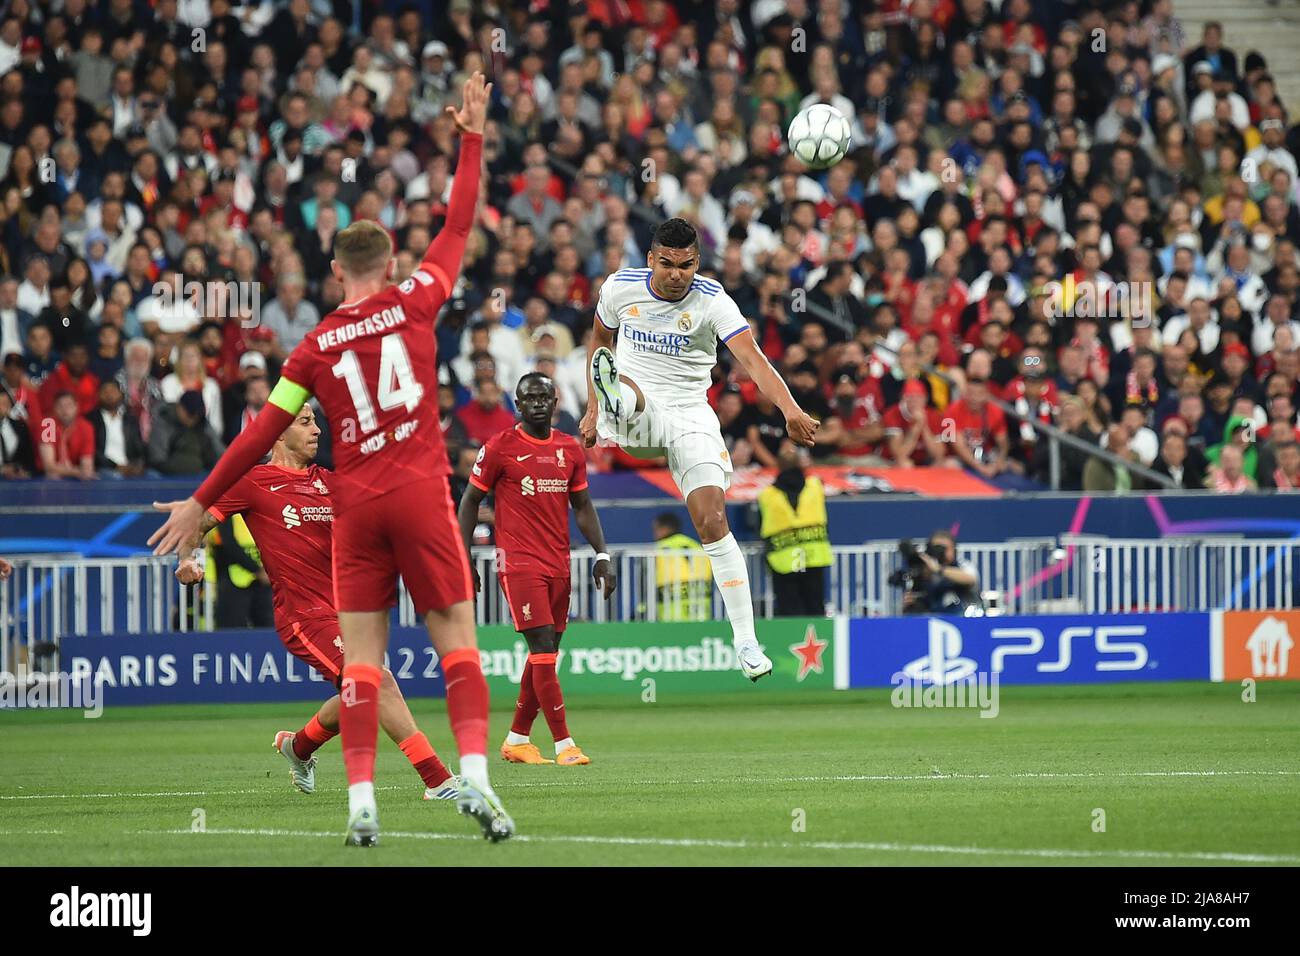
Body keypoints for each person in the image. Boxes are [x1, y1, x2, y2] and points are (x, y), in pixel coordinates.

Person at [150, 73, 514, 847]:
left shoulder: (311, 347)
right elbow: (457, 224)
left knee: (364, 663)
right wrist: (472, 138)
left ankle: (359, 802)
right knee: (455, 634)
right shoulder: (415, 300)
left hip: (352, 502)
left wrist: (196, 499)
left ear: (335, 273)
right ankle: (470, 778)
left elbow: (252, 438)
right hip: (415, 485)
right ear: (388, 264)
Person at [166, 403, 459, 802]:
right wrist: (188, 559)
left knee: (358, 693)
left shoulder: (333, 483)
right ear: (276, 433)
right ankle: (438, 780)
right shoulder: (252, 481)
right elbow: (196, 522)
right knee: (377, 680)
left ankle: (299, 747)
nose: (317, 430)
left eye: (317, 421)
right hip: (304, 616)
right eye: (305, 422)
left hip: (351, 614)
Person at [580, 217, 819, 682]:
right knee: (625, 390)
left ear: (697, 263)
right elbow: (599, 341)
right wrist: (591, 410)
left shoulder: (713, 300)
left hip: (691, 413)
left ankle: (746, 642)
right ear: (650, 259)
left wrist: (790, 409)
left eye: (686, 265)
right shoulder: (619, 288)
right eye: (667, 264)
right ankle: (614, 399)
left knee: (711, 521)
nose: (676, 274)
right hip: (638, 410)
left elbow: (753, 359)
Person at [457, 372, 615, 767]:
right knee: (543, 648)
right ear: (518, 405)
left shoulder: (569, 449)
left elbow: (582, 506)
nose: (539, 404)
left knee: (546, 653)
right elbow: (470, 500)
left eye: (545, 397)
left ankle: (516, 740)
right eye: (530, 398)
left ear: (556, 401)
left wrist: (601, 555)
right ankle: (565, 745)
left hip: (558, 562)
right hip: (520, 563)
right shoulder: (499, 448)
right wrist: (463, 556)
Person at [757, 442, 830, 617]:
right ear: (800, 464)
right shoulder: (815, 486)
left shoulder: (766, 495)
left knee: (788, 614)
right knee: (816, 611)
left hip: (784, 560)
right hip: (813, 558)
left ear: (778, 465)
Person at [651, 512, 713, 621]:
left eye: (655, 529)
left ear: (663, 528)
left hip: (671, 621)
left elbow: (646, 585)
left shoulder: (659, 550)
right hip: (702, 616)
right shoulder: (698, 547)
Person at [902, 530, 981, 615]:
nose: (940, 552)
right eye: (936, 548)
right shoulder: (925, 570)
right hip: (933, 619)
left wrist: (939, 569)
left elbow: (970, 579)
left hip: (962, 617)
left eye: (944, 548)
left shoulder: (963, 565)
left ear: (953, 549)